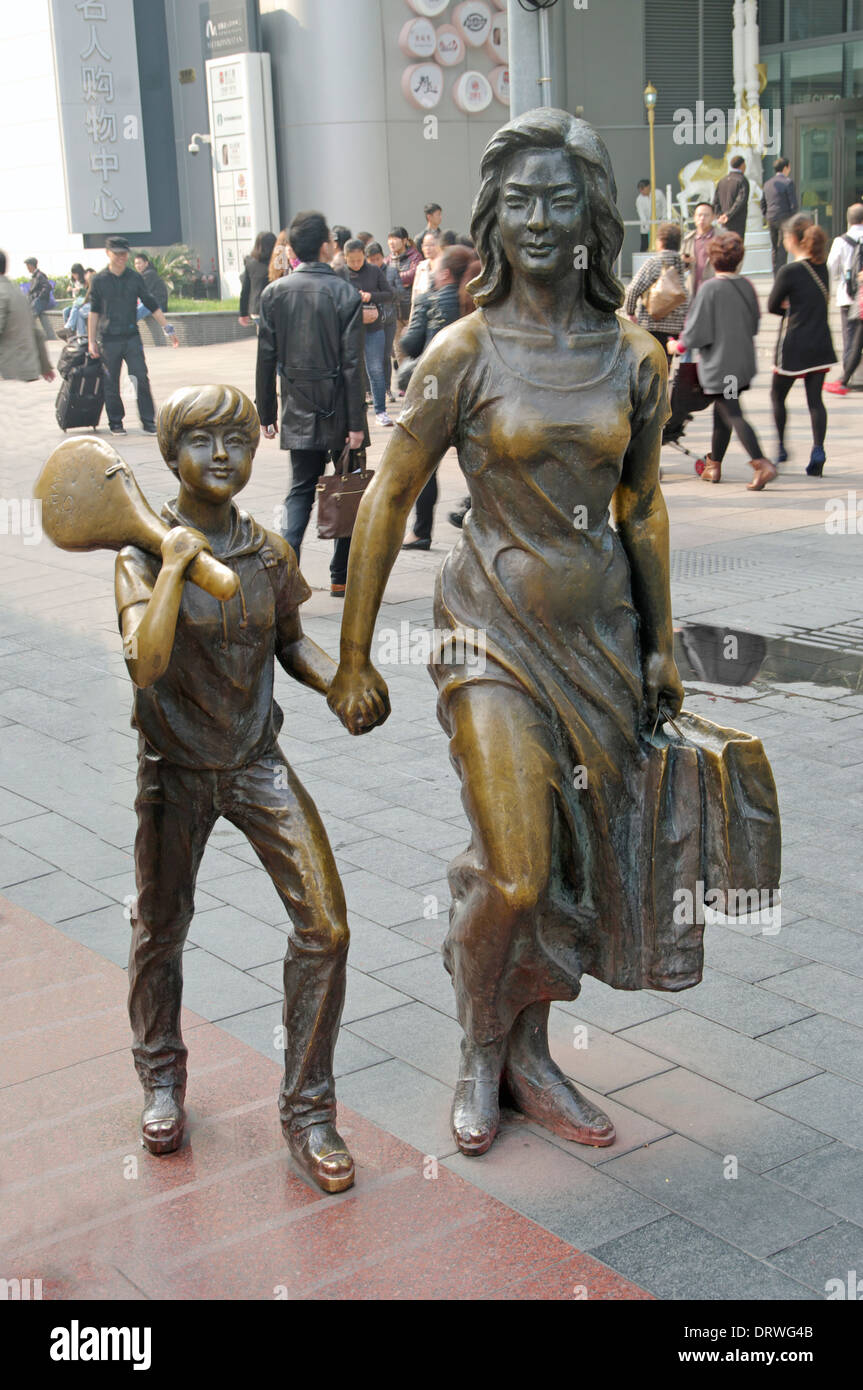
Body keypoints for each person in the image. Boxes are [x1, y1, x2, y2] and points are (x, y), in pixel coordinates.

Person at [329, 112, 777, 1158]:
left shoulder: (631, 353)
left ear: (593, 216)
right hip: (488, 637)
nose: (536, 220)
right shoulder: (461, 350)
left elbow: (641, 508)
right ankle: (479, 1045)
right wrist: (351, 655)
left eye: (558, 199)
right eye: (516, 201)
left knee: (568, 871)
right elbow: (391, 498)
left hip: (602, 647)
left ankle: (526, 1054)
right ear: (491, 220)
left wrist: (664, 643)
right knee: (523, 869)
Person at [115, 384, 355, 1194]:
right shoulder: (139, 553)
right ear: (170, 453)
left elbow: (292, 643)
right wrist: (176, 566)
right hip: (174, 772)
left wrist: (341, 681)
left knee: (325, 926)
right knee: (162, 927)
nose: (223, 456)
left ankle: (309, 1110)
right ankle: (160, 1077)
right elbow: (143, 662)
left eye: (240, 441)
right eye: (203, 440)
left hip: (256, 762)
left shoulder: (267, 554)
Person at [255, 210, 365, 598]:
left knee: (299, 490)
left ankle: (286, 579)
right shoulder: (344, 293)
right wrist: (357, 423)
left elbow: (265, 358)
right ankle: (340, 576)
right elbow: (352, 364)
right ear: (324, 246)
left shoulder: (274, 293)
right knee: (346, 487)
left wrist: (265, 412)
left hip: (298, 407)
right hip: (339, 407)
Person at [668, 231, 775, 489]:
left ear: (712, 259)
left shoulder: (710, 288)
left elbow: (695, 330)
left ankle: (761, 463)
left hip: (721, 365)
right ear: (738, 260)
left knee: (733, 412)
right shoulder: (746, 286)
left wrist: (677, 345)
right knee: (723, 411)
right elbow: (754, 324)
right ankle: (714, 465)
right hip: (741, 362)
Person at [399, 244, 473, 551]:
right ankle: (475, 517)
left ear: (443, 273)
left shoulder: (430, 300)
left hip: (435, 395)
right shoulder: (478, 302)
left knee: (426, 466)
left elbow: (411, 344)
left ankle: (421, 531)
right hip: (471, 395)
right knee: (475, 464)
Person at [87, 235, 178, 436]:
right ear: (108, 253)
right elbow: (93, 312)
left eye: (124, 254)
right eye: (117, 254)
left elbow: (151, 303)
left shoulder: (134, 277)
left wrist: (168, 329)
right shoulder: (99, 280)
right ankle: (116, 422)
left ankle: (148, 421)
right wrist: (91, 342)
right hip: (108, 339)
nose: (121, 257)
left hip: (131, 337)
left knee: (141, 378)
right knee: (111, 382)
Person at [767, 215, 835, 476]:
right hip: (821, 344)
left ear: (794, 239)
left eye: (785, 237)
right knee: (815, 401)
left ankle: (782, 447)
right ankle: (818, 449)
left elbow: (773, 305)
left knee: (777, 395)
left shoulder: (789, 271)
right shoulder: (823, 267)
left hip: (793, 345)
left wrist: (787, 306)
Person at [342, 238, 395, 426]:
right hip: (350, 329)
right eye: (352, 260)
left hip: (374, 327)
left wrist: (370, 296)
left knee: (376, 369)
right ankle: (351, 410)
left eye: (359, 259)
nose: (356, 264)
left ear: (364, 256)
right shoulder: (341, 274)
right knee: (351, 370)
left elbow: (390, 294)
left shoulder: (373, 270)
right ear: (345, 257)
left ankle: (381, 411)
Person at [624, 221, 689, 352]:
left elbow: (633, 289)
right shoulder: (682, 265)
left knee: (652, 365)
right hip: (675, 328)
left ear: (660, 242)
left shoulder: (654, 263)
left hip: (651, 324)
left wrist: (630, 312)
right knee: (667, 365)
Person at [825, 202, 863, 395]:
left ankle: (848, 379)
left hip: (847, 296)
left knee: (850, 339)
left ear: (848, 220)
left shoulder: (841, 241)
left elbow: (830, 268)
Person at [0, 249, 55, 382]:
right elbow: (36, 333)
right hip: (25, 371)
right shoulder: (17, 292)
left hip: (6, 372)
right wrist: (45, 367)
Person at [367, 240, 401, 403]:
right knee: (369, 357)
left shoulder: (392, 271)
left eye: (377, 259)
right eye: (371, 260)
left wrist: (384, 291)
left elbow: (399, 293)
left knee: (385, 356)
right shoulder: (365, 274)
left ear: (383, 257)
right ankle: (370, 391)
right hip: (369, 320)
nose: (375, 263)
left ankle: (387, 389)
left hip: (388, 319)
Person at [385, 226, 422, 351]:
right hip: (394, 311)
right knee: (398, 348)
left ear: (405, 240)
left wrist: (394, 279)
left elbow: (413, 275)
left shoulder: (415, 256)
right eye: (390, 239)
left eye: (395, 238)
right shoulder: (387, 260)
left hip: (411, 309)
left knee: (415, 347)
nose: (392, 242)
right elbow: (383, 279)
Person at [761, 158, 798, 273]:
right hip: (784, 218)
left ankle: (775, 272)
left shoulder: (767, 183)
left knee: (774, 248)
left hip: (771, 218)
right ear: (786, 168)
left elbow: (763, 203)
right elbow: (793, 204)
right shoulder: (788, 182)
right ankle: (781, 273)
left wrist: (767, 215)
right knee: (782, 247)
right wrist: (792, 220)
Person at [238, 231, 277, 325]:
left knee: (263, 336)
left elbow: (245, 290)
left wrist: (243, 313)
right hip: (275, 308)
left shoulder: (250, 263)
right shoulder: (277, 264)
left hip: (256, 309)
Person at [681, 201, 717, 299]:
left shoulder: (720, 238)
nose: (702, 218)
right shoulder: (688, 240)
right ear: (694, 218)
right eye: (699, 215)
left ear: (713, 217)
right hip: (694, 291)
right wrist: (684, 262)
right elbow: (681, 267)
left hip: (715, 290)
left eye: (706, 215)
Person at [713, 155, 749, 239]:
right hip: (737, 221)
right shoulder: (742, 180)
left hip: (723, 222)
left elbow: (715, 201)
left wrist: (720, 215)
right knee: (736, 247)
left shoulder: (722, 181)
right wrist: (728, 215)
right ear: (742, 165)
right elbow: (741, 201)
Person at [24, 256, 54, 338]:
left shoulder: (40, 275)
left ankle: (30, 336)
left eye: (27, 265)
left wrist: (39, 297)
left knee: (30, 316)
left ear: (31, 265)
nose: (27, 268)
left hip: (40, 301)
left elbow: (47, 287)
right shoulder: (35, 276)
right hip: (36, 301)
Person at [411, 229, 442, 303]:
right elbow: (414, 295)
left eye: (431, 245)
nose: (428, 248)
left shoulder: (444, 265)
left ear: (439, 246)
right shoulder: (421, 267)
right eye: (425, 245)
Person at [636, 179, 667, 251]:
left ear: (648, 186)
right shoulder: (639, 199)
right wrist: (647, 225)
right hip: (647, 224)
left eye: (643, 189)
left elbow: (664, 206)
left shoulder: (658, 193)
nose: (642, 191)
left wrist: (664, 219)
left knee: (662, 242)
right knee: (644, 245)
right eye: (640, 190)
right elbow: (641, 214)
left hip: (660, 221)